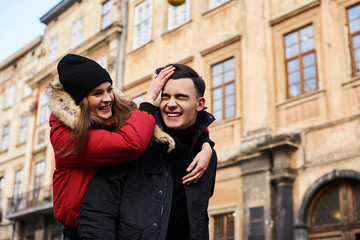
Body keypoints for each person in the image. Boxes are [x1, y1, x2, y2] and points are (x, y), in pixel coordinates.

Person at [77, 64, 217, 240]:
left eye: (181, 97)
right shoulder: (134, 144)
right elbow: (96, 213)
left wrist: (206, 146)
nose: (171, 104)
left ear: (199, 104)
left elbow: (199, 220)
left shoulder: (206, 156)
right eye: (165, 97)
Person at [47, 54, 176, 240]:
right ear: (80, 100)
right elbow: (131, 143)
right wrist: (148, 100)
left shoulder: (110, 117)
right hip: (82, 230)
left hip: (117, 223)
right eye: (97, 94)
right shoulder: (65, 137)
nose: (108, 98)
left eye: (109, 90)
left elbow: (176, 121)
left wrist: (205, 143)